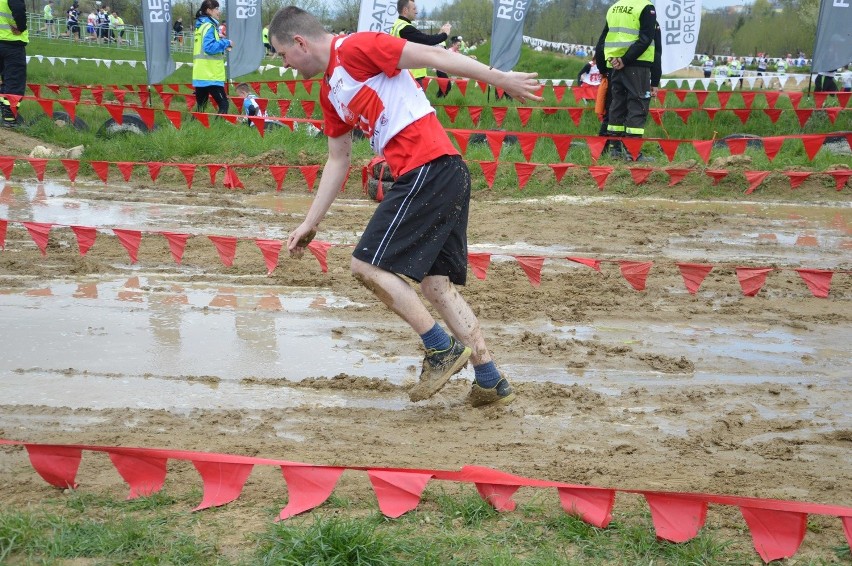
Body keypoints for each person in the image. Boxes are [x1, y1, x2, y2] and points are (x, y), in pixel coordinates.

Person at [268, 6, 542, 407]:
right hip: (440, 172)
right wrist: (311, 223)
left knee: (365, 265)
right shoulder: (329, 92)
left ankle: (440, 348)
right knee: (434, 285)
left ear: (299, 42)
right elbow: (338, 159)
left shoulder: (357, 48)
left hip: (429, 167)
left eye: (282, 55)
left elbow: (434, 56)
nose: (285, 65)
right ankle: (489, 378)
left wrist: (499, 78)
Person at [595, 0, 661, 160]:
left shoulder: (614, 8)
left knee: (617, 106)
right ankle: (633, 153)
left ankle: (615, 151)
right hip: (637, 65)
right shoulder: (646, 7)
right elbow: (649, 42)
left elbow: (602, 41)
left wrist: (604, 67)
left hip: (614, 66)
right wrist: (655, 80)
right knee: (637, 106)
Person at [390, 0, 451, 89]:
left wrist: (439, 34)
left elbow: (422, 39)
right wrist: (445, 34)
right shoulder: (405, 28)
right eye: (414, 9)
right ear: (405, 10)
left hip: (405, 74)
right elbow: (427, 40)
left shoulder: (398, 24)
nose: (417, 11)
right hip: (411, 75)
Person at [192, 0, 232, 114]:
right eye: (217, 9)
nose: (219, 12)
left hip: (200, 74)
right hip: (211, 74)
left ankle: (193, 127)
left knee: (201, 107)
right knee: (224, 104)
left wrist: (219, 41)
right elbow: (209, 48)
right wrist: (226, 43)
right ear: (209, 11)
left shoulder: (200, 26)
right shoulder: (209, 26)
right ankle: (219, 129)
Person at [0, 0, 27, 128]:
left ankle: (5, 112)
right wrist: (21, 27)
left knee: (5, 81)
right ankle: (9, 118)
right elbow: (18, 8)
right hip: (11, 42)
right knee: (14, 82)